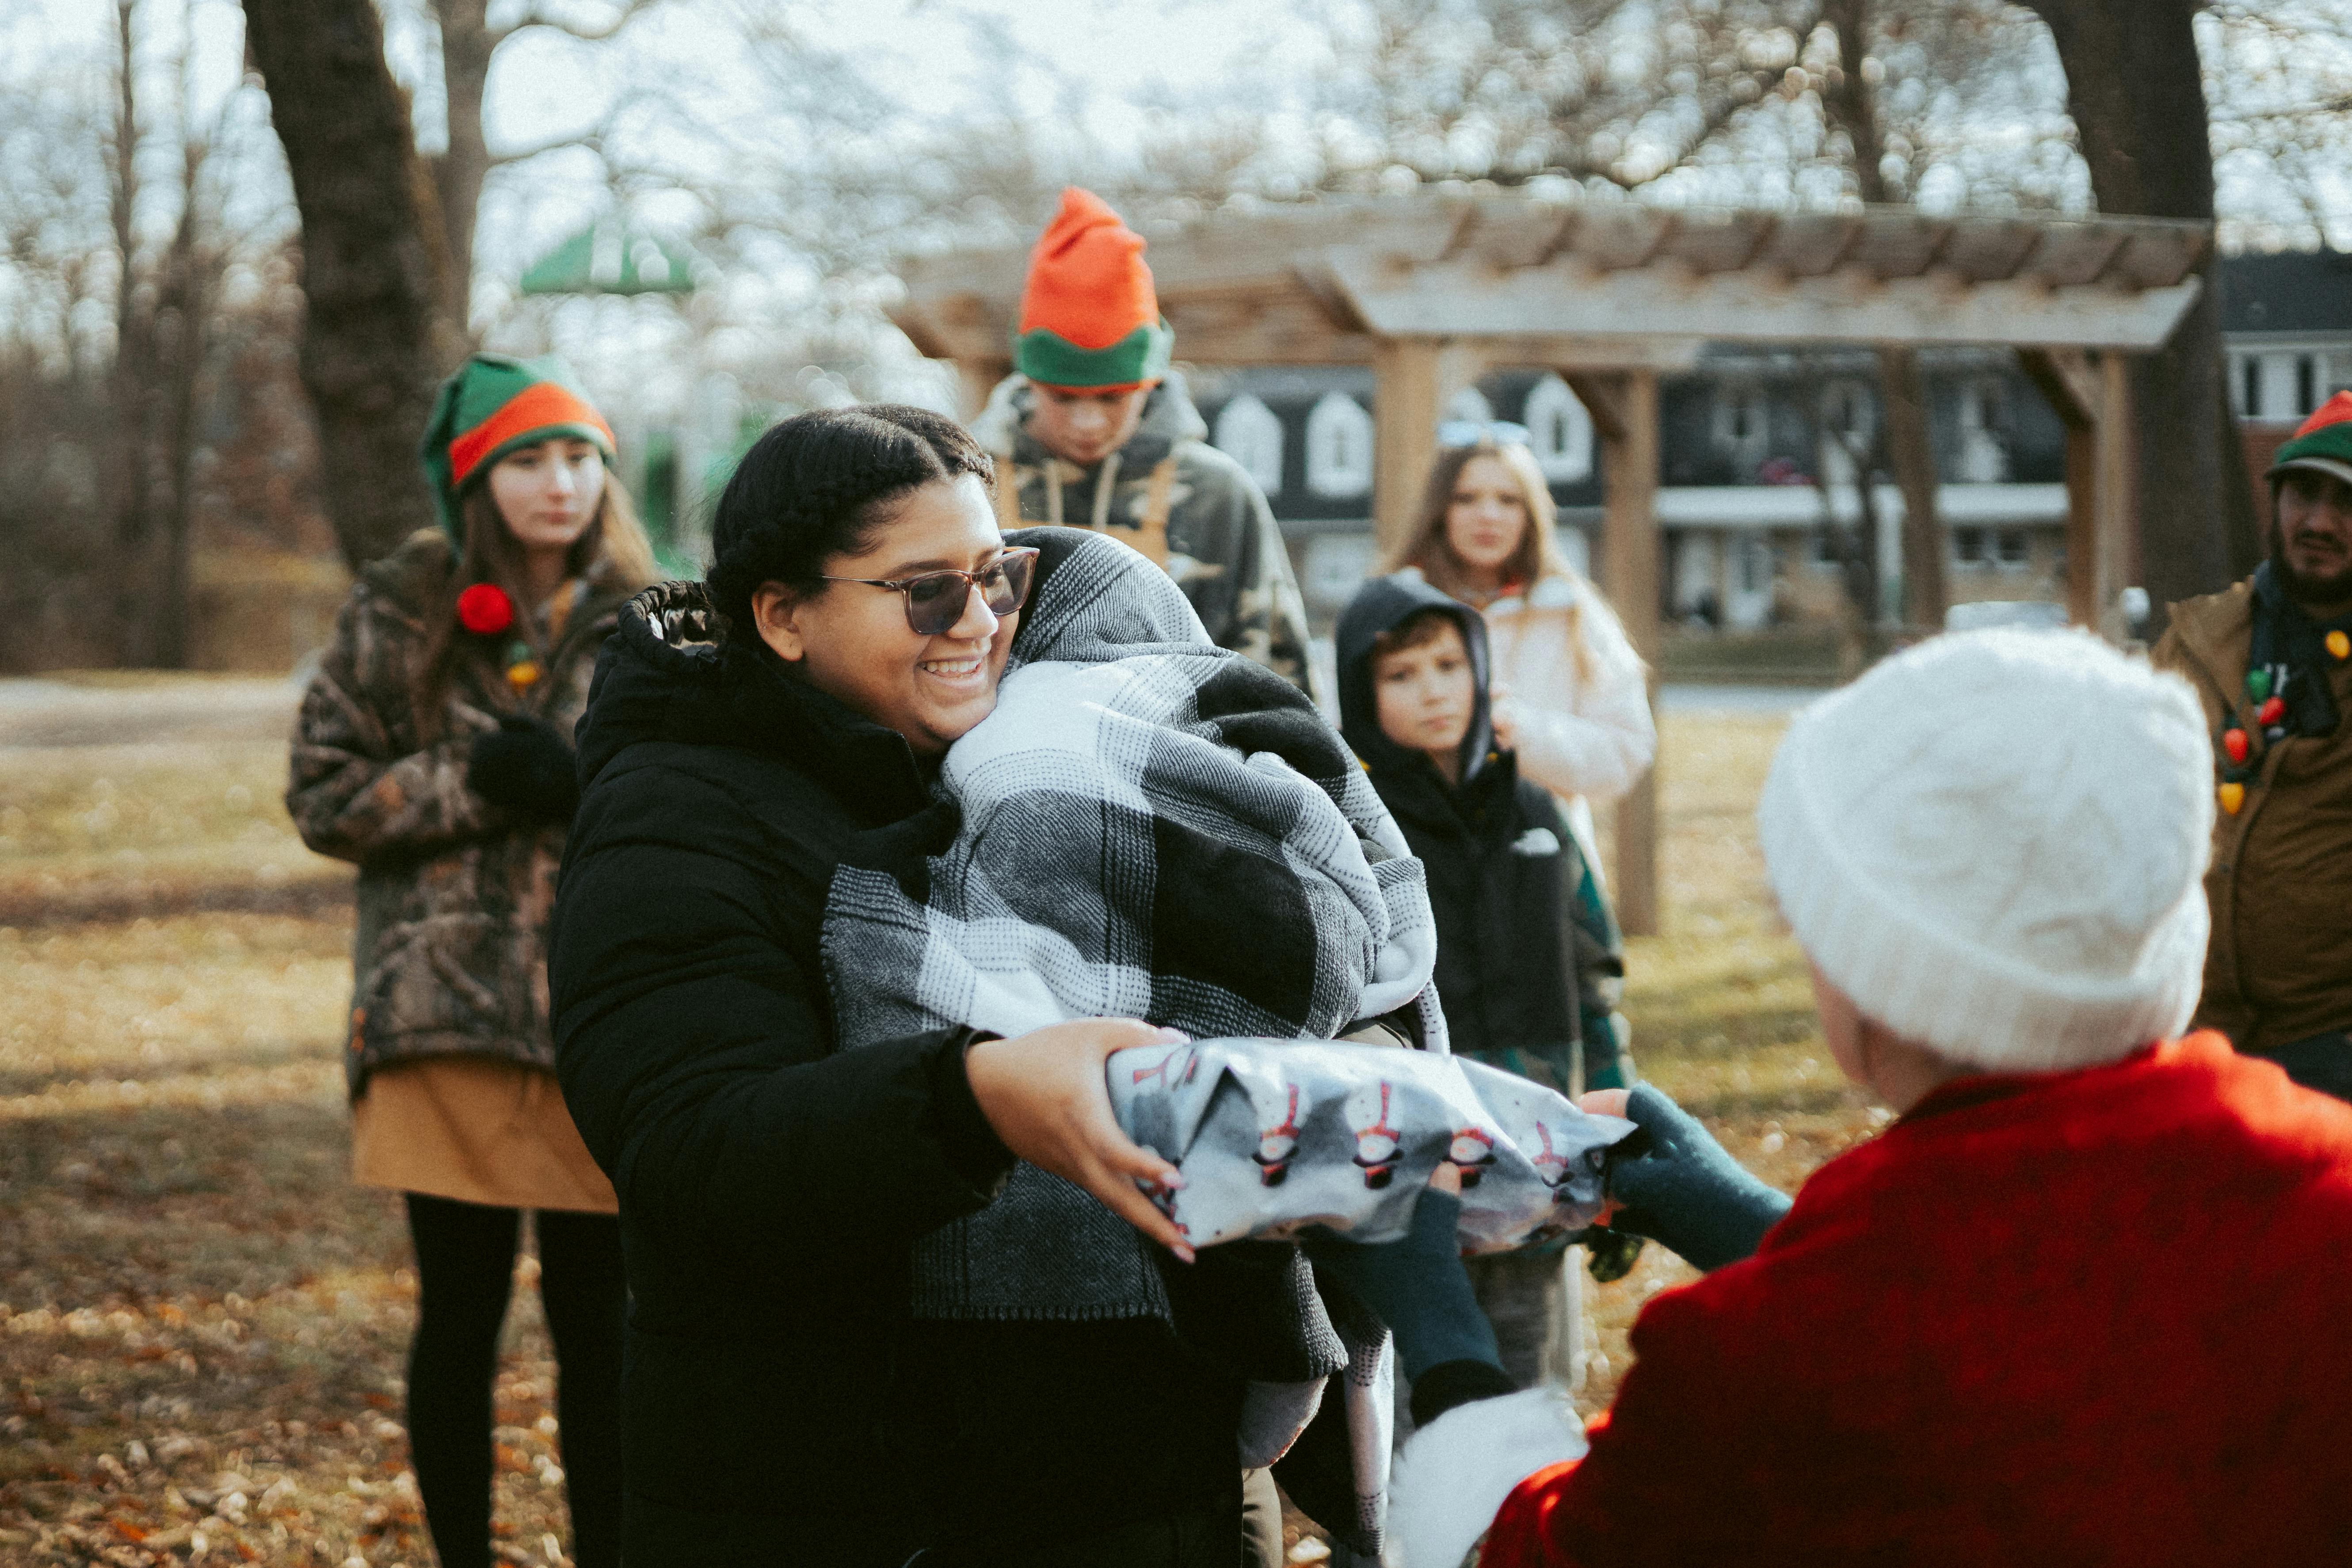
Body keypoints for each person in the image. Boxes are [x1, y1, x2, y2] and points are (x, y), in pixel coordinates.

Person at [1369, 628, 2352, 1568]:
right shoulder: (2320, 1192)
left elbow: (1523, 1553)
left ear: (1881, 976)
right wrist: (1764, 1230)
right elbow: (2029, 1308)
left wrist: (1442, 1338)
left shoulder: (1758, 1370)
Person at [548, 404, 1300, 1566]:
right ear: (782, 616)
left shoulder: (1033, 756)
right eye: (925, 591)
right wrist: (975, 1099)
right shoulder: (675, 813)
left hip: (1147, 1484)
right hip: (846, 1498)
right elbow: (691, 1145)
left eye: (996, 578)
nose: (983, 624)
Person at [286, 353, 660, 1568]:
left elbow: (690, 795)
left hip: (599, 1020)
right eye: (527, 460)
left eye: (578, 456)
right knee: (459, 1319)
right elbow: (323, 792)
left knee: (600, 1326)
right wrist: (469, 781)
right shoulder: (403, 607)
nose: (559, 485)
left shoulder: (655, 616)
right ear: (477, 479)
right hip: (441, 1015)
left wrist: (586, 780)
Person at [1334, 572, 1629, 1396]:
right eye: (1402, 675)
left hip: (1533, 1170)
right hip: (1412, 1186)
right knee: (1422, 1413)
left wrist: (1617, 1146)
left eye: (1447, 665)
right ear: (1364, 691)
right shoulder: (1356, 833)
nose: (1433, 691)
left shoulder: (1536, 813)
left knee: (1530, 1391)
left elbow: (1596, 978)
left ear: (1479, 670)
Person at [1380, 434, 1652, 1089]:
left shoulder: (1573, 612)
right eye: (1468, 496)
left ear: (1533, 513)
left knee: (1542, 1044)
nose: (1487, 515)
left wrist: (1518, 730)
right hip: (1423, 862)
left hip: (1539, 865)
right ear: (1439, 508)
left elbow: (1624, 752)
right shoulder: (1392, 608)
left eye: (1507, 499)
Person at [971, 186, 1314, 694]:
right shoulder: (970, 488)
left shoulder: (1216, 494)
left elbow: (1279, 675)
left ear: (1149, 382)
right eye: (1063, 398)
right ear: (1030, 381)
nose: (1087, 422)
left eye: (1112, 398)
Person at [2154, 390, 2352, 1102]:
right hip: (2194, 1034)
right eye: (2304, 493)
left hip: (2332, 1045)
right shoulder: (2199, 639)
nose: (2320, 521)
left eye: (2345, 502)